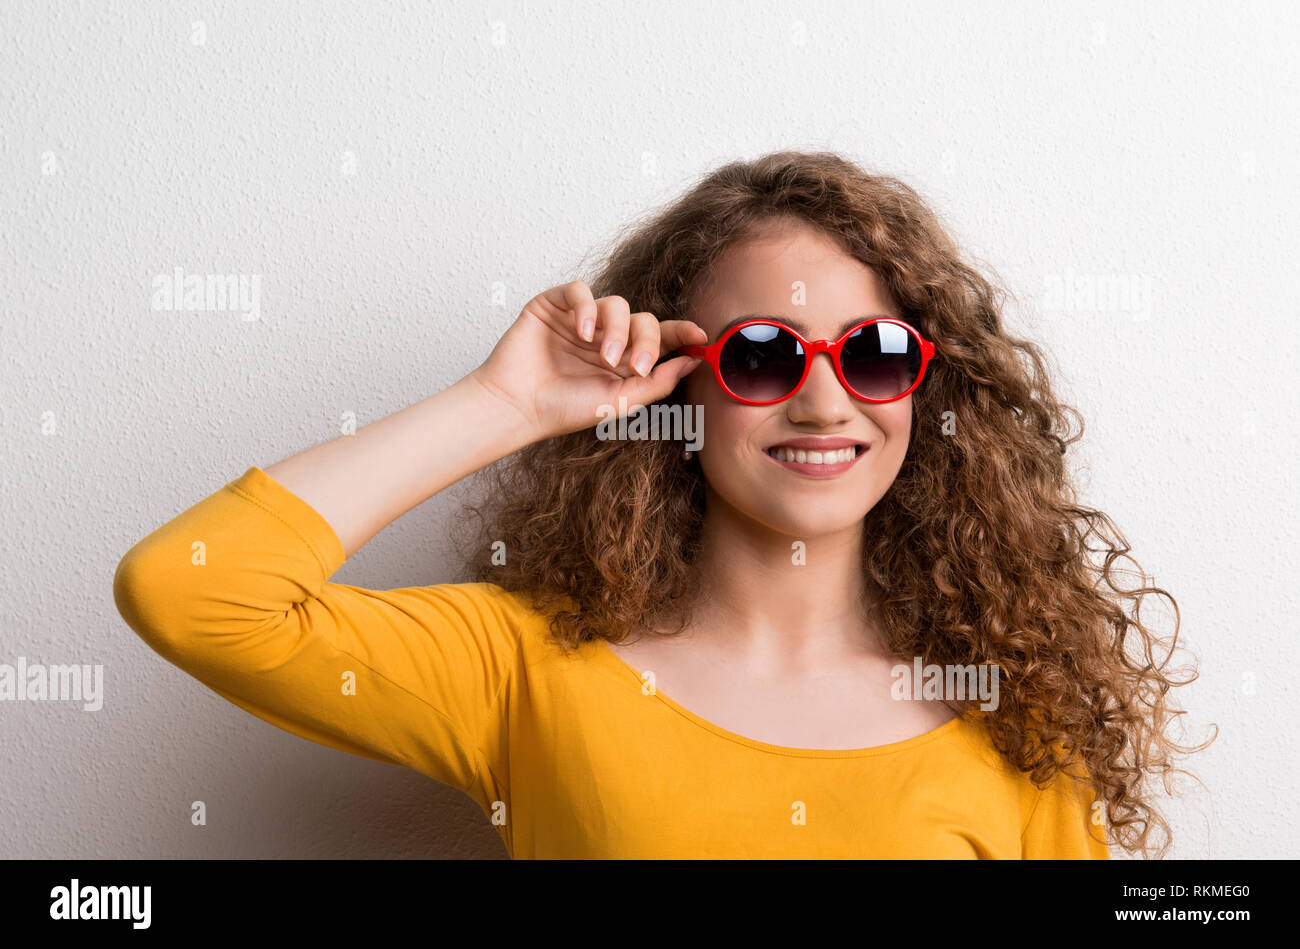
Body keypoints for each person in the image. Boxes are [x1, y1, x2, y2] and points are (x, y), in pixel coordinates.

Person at [113, 150, 1208, 859]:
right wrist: (507, 402)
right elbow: (190, 592)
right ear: (676, 379)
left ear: (922, 383)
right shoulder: (527, 667)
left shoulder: (1016, 720)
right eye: (764, 355)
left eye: (871, 354)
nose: (826, 402)